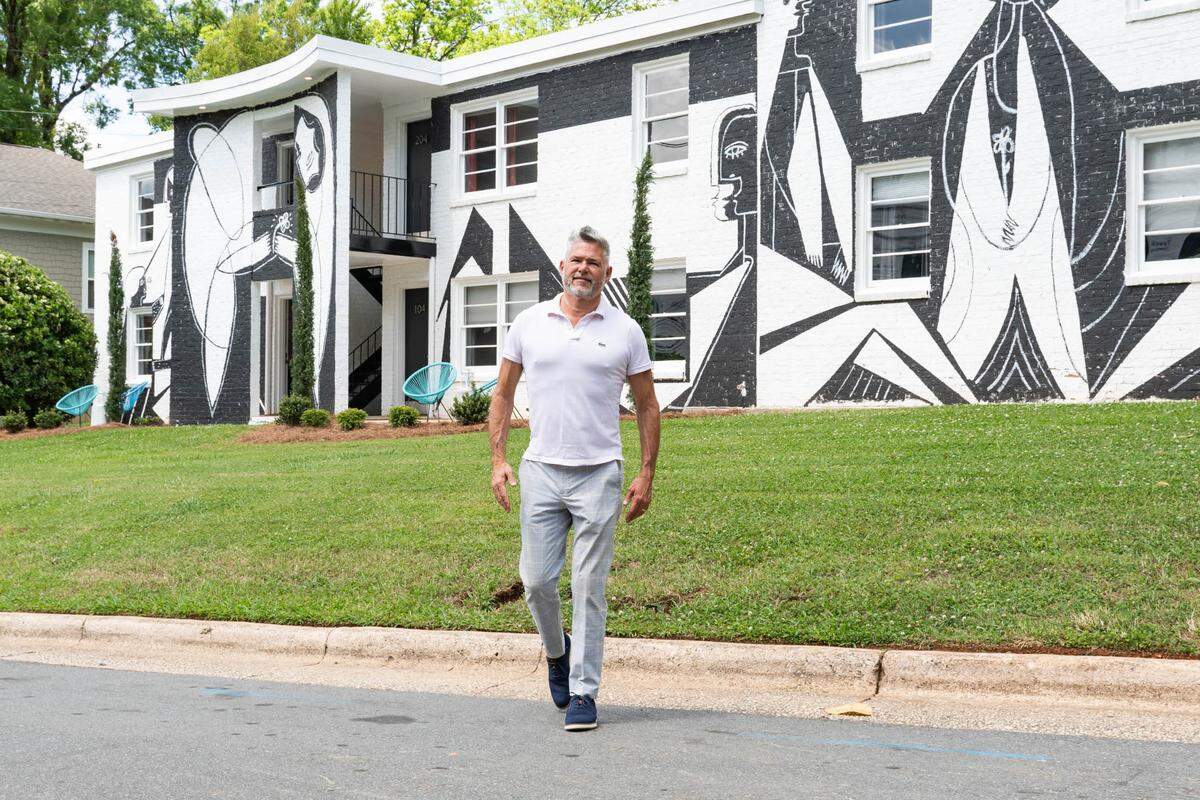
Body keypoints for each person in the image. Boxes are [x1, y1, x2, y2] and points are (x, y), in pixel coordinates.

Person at [488, 225, 661, 732]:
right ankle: (556, 652)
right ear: (562, 268)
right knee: (537, 581)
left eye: (594, 262)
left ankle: (584, 692)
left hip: (600, 474)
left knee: (588, 586)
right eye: (576, 260)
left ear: (607, 273)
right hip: (540, 471)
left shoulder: (625, 330)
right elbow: (502, 395)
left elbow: (648, 405)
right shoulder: (529, 322)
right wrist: (498, 458)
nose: (584, 268)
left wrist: (647, 471)